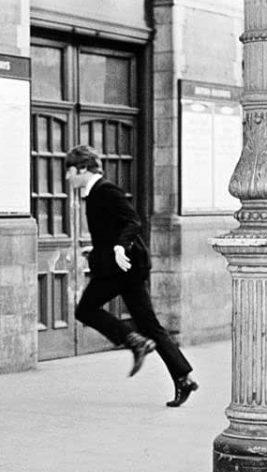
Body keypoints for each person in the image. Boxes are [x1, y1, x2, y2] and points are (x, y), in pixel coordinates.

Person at [65, 145, 198, 407]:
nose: (68, 178)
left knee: (85, 309)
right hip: (125, 268)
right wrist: (101, 247)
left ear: (82, 169)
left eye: (70, 171)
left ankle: (133, 341)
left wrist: (117, 246)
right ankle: (183, 377)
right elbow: (112, 228)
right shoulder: (94, 193)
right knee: (149, 324)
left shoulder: (106, 190)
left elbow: (132, 221)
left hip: (122, 268)